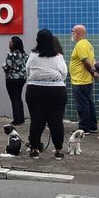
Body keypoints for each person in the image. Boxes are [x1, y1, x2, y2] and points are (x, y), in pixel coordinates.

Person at [25, 29, 68, 160]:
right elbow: (64, 73)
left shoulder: (33, 56)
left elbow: (27, 71)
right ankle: (59, 150)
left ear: (37, 40)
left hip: (35, 90)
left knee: (36, 121)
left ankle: (34, 148)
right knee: (56, 121)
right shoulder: (58, 56)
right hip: (56, 91)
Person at [70, 25, 97, 134]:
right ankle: (92, 126)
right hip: (86, 79)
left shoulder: (80, 44)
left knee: (82, 105)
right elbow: (92, 59)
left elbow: (85, 61)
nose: (71, 34)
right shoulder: (88, 43)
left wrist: (92, 71)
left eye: (72, 32)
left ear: (77, 33)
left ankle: (83, 128)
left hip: (80, 79)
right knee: (89, 103)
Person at [2, 36, 28, 126]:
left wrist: (3, 66)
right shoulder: (25, 55)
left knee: (14, 98)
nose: (9, 44)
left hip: (12, 78)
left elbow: (7, 68)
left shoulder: (10, 55)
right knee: (18, 97)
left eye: (11, 42)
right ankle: (21, 118)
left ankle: (16, 119)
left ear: (14, 44)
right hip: (22, 78)